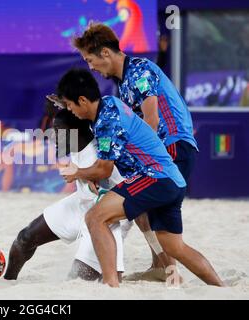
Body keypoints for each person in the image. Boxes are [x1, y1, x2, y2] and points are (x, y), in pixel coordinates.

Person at [57, 68, 223, 287]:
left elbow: (104, 170)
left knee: (95, 218)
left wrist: (77, 173)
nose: (69, 110)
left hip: (155, 177)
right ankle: (221, 288)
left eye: (69, 105)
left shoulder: (106, 120)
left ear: (82, 100)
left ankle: (110, 286)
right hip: (173, 180)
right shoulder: (109, 104)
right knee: (175, 247)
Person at [73, 23, 199, 280]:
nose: (91, 67)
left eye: (90, 60)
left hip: (173, 145)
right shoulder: (125, 82)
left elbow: (151, 120)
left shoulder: (138, 71)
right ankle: (163, 266)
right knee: (147, 215)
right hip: (165, 148)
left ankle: (170, 269)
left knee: (159, 223)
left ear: (105, 53)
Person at [4, 108, 125, 281]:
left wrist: (81, 173)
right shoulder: (80, 143)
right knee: (25, 238)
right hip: (81, 203)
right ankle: (7, 282)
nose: (53, 137)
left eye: (58, 132)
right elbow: (80, 114)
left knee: (77, 280)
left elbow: (107, 179)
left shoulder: (97, 158)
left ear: (74, 132)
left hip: (102, 217)